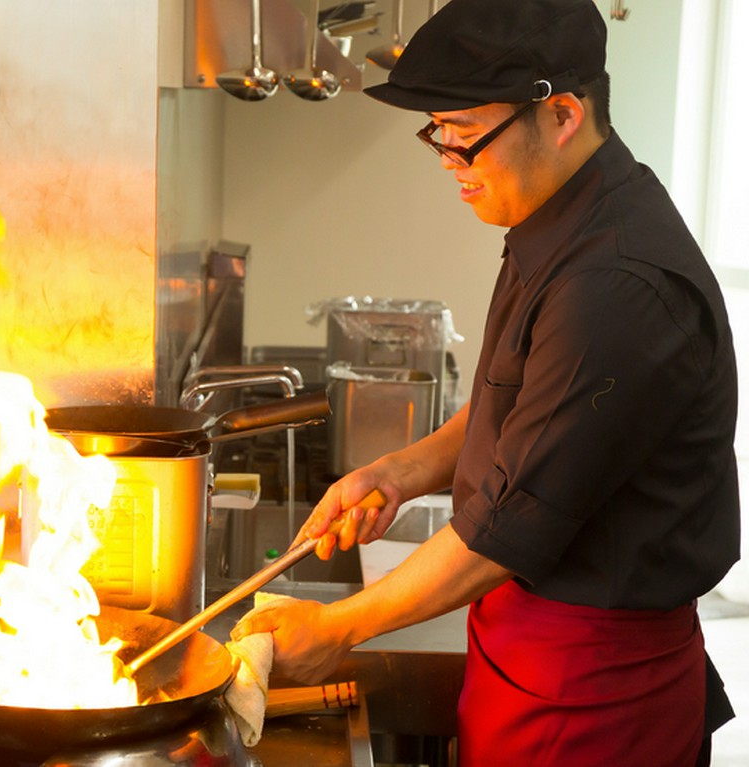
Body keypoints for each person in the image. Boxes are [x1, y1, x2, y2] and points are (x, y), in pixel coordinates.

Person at [230, 0, 740, 764]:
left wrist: (337, 626)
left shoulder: (616, 283)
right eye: (436, 134)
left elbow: (503, 530)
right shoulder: (560, 219)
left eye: (464, 137)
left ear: (562, 113)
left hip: (594, 701)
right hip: (528, 665)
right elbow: (517, 401)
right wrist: (397, 470)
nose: (446, 160)